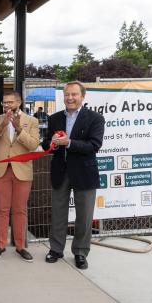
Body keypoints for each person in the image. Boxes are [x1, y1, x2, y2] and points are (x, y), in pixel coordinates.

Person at [42, 81, 105, 270]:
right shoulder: (54, 118)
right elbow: (45, 144)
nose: (70, 98)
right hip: (60, 172)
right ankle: (56, 249)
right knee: (58, 213)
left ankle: (80, 252)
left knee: (84, 216)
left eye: (74, 94)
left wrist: (69, 143)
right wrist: (50, 143)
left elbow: (94, 145)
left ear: (82, 97)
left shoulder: (95, 118)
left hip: (84, 173)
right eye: (67, 94)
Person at [0, 91, 40, 262]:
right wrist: (2, 126)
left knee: (19, 209)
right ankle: (0, 245)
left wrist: (17, 128)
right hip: (1, 170)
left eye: (10, 102)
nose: (7, 105)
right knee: (2, 208)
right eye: (4, 102)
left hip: (22, 171)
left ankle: (20, 246)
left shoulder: (31, 121)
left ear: (19, 102)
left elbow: (33, 145)